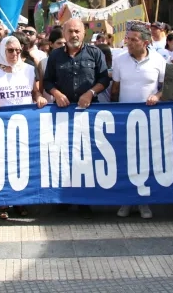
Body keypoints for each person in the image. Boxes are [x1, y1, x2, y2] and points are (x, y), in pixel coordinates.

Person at [43, 18, 110, 219]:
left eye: (77, 31)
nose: (74, 35)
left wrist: (90, 92)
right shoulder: (54, 56)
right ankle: (63, 200)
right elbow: (47, 81)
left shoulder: (95, 53)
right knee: (62, 156)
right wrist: (56, 94)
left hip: (88, 114)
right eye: (70, 31)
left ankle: (84, 201)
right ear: (64, 33)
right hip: (62, 115)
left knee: (86, 156)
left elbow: (104, 79)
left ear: (84, 33)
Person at [0, 35, 46, 219]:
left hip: (23, 128)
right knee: (2, 165)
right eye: (10, 50)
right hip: (0, 128)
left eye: (18, 50)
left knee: (21, 165)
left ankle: (20, 201)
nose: (14, 54)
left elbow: (34, 92)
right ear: (3, 50)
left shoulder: (27, 70)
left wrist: (39, 98)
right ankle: (2, 203)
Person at [110, 24, 165, 220]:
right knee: (126, 161)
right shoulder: (119, 60)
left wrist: (158, 96)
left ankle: (143, 202)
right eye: (128, 39)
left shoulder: (159, 60)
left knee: (144, 161)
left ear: (146, 42)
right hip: (125, 120)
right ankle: (127, 200)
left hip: (148, 121)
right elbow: (114, 90)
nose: (129, 43)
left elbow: (167, 88)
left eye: (134, 39)